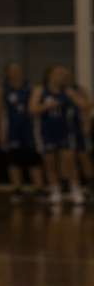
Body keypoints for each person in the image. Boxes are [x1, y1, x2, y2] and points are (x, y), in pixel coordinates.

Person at [32, 65, 87, 207]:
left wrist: (79, 95)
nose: (61, 76)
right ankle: (55, 191)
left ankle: (75, 190)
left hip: (65, 131)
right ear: (49, 75)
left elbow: (85, 105)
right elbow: (32, 109)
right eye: (58, 73)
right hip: (46, 132)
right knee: (49, 162)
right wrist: (47, 106)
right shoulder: (40, 90)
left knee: (69, 161)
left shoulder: (68, 91)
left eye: (63, 74)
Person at [0, 63, 45, 201]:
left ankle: (39, 189)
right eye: (13, 70)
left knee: (33, 159)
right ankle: (17, 189)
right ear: (7, 73)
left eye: (19, 70)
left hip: (29, 129)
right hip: (12, 130)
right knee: (14, 160)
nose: (16, 72)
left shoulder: (31, 88)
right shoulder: (2, 89)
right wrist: (0, 132)